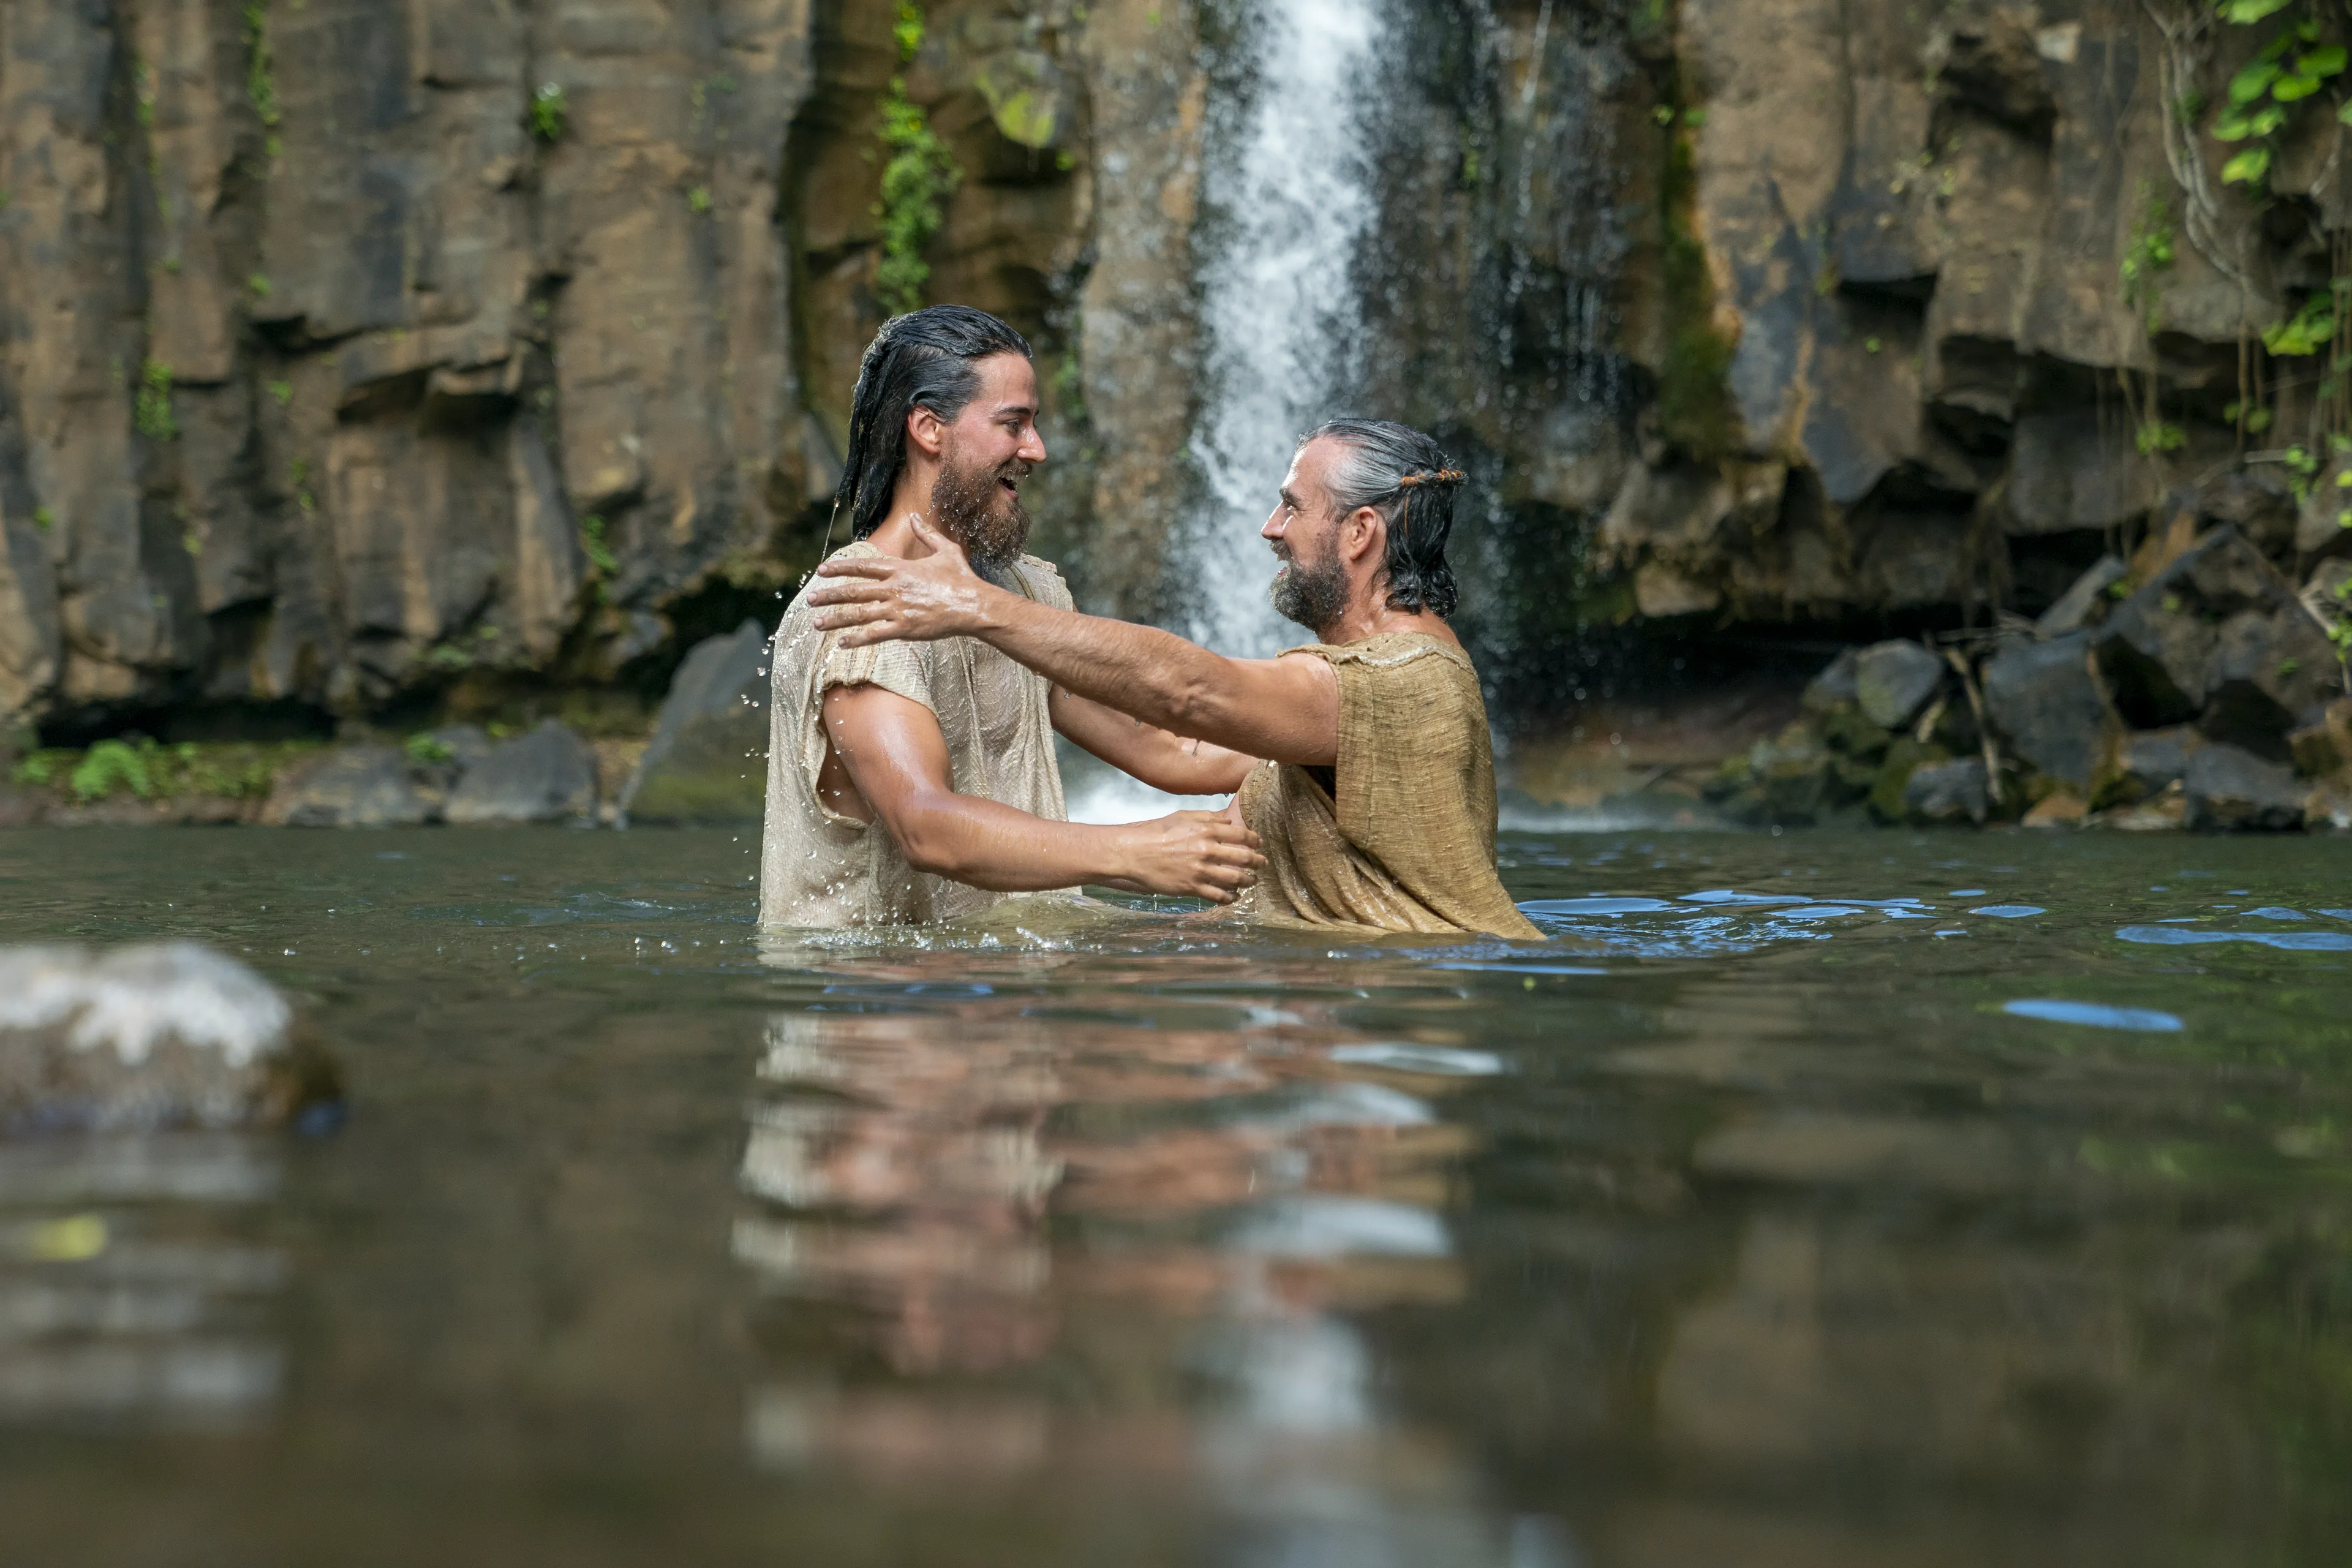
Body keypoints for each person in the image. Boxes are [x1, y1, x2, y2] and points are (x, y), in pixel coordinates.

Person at [807, 417, 1541, 940]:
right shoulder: (1344, 697)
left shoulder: (1399, 680)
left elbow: (1193, 693)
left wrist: (979, 607)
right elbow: (1195, 794)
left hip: (1399, 1019)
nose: (1269, 527)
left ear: (1361, 533)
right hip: (1356, 1012)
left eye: (1292, 505)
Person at [760, 306, 1263, 929]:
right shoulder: (858, 603)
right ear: (928, 429)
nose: (1037, 450)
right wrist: (1134, 852)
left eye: (1035, 424)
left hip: (1008, 983)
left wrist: (1323, 748)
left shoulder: (1026, 594)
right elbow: (927, 825)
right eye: (1013, 424)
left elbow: (1170, 750)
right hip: (875, 1005)